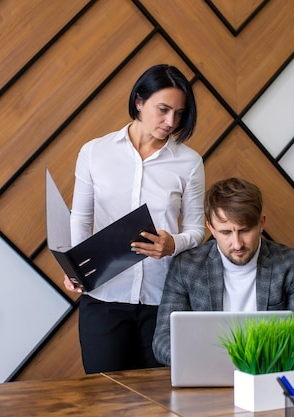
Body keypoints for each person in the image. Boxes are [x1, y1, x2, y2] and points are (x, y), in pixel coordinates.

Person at [63, 64, 206, 373]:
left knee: (160, 400)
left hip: (162, 300)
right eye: (163, 109)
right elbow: (81, 217)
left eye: (179, 113)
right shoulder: (94, 152)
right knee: (105, 397)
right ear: (139, 102)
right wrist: (76, 266)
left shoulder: (189, 163)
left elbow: (197, 229)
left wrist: (173, 244)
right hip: (103, 297)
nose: (171, 122)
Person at [152, 177, 294, 366]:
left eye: (245, 230)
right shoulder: (187, 266)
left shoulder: (290, 263)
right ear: (211, 228)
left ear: (261, 223)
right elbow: (162, 341)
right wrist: (204, 363)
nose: (237, 243)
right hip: (206, 373)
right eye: (226, 233)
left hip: (268, 372)